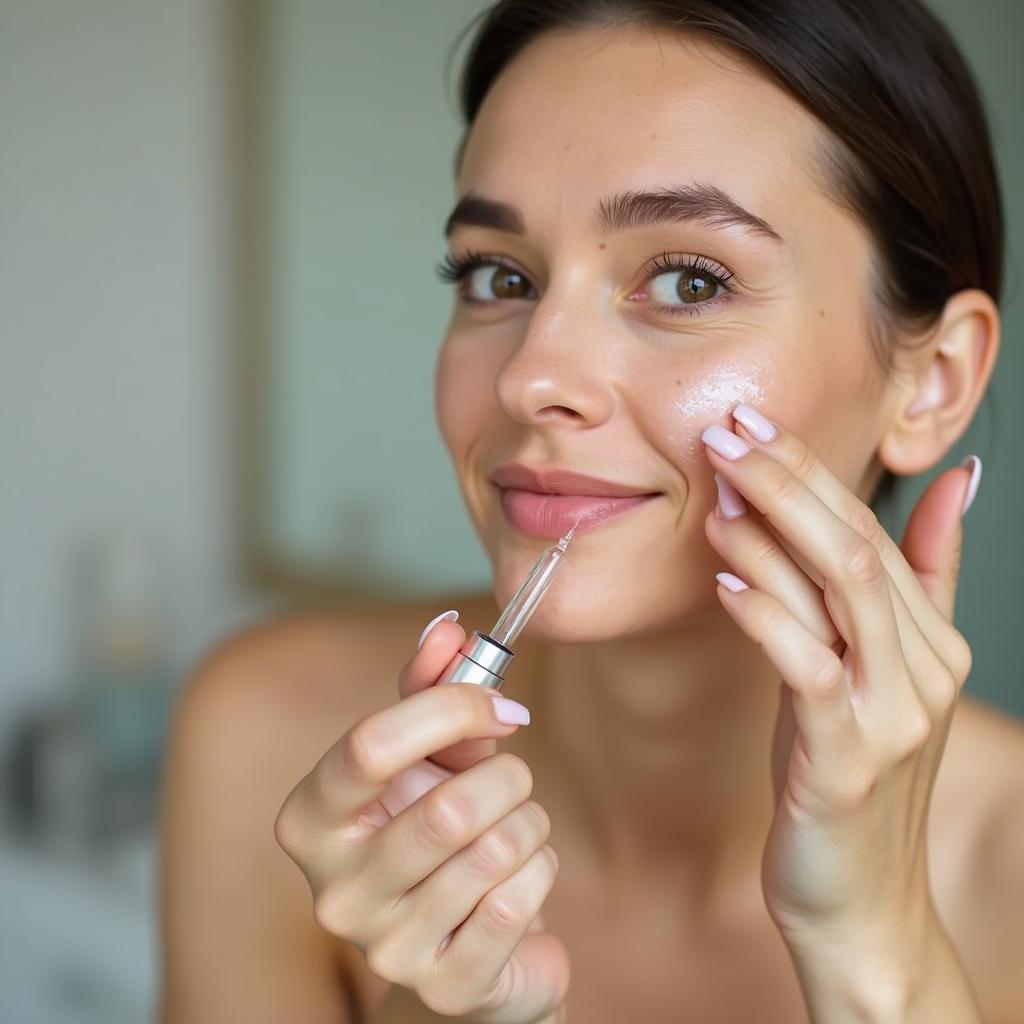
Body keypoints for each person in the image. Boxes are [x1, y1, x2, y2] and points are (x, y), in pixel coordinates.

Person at [158, 1, 1024, 1021]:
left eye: (688, 280)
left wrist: (871, 949)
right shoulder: (269, 738)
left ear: (929, 382)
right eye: (499, 275)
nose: (530, 377)